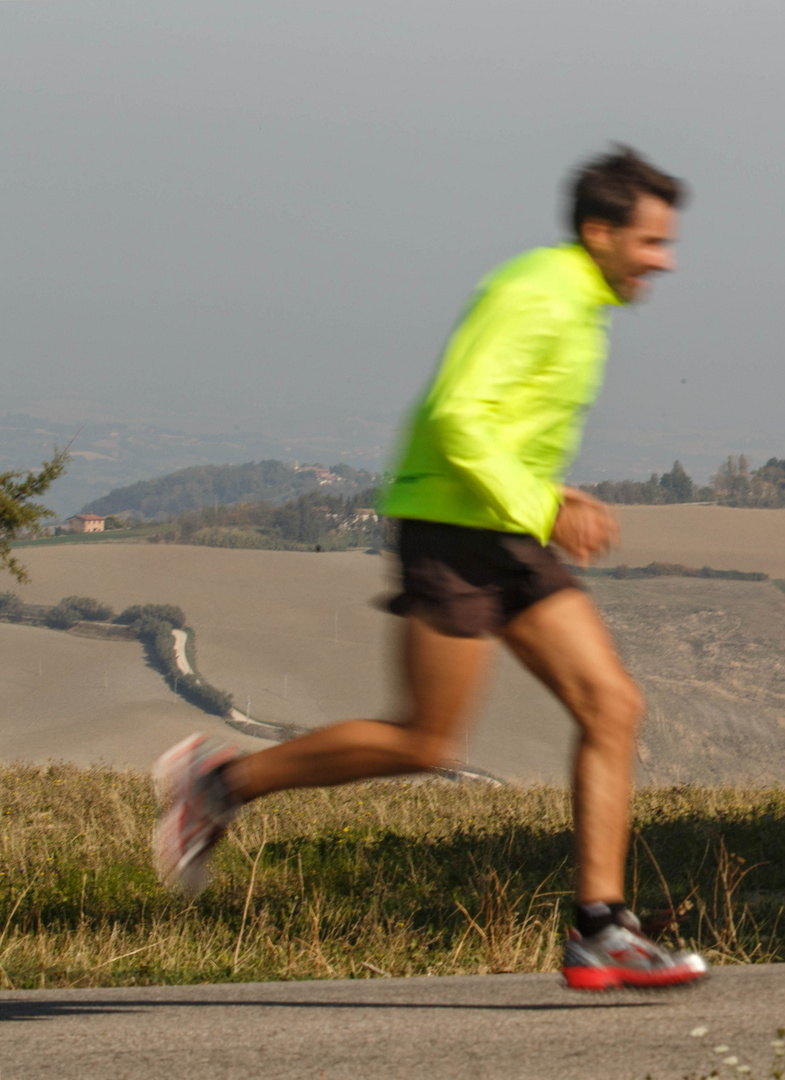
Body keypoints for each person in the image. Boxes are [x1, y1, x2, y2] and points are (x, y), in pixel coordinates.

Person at [151, 146, 707, 991]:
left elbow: (502, 426)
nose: (662, 259)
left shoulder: (578, 298)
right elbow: (457, 415)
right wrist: (546, 506)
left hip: (504, 527)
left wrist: (548, 497)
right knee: (427, 739)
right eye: (650, 242)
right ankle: (218, 783)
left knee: (611, 704)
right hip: (455, 531)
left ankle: (601, 929)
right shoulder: (537, 294)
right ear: (601, 232)